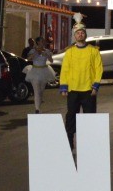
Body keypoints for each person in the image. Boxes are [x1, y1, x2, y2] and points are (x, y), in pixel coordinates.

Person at [57, 15, 102, 149]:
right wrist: (64, 87)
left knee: (90, 118)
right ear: (74, 36)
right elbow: (65, 70)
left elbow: (98, 69)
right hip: (73, 90)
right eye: (77, 33)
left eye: (82, 32)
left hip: (88, 90)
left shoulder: (93, 51)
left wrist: (95, 86)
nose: (80, 34)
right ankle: (69, 143)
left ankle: (89, 145)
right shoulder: (69, 52)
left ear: (85, 34)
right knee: (71, 117)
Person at [25, 36, 54, 114]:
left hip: (44, 71)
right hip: (35, 71)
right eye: (41, 41)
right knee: (36, 91)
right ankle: (37, 109)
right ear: (38, 42)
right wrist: (35, 52)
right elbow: (28, 59)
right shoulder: (33, 50)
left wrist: (47, 55)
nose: (43, 42)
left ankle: (39, 107)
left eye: (43, 41)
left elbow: (51, 61)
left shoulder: (47, 51)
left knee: (41, 91)